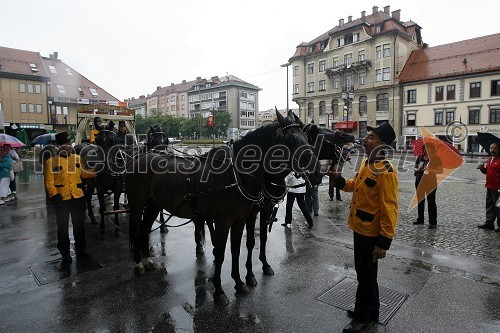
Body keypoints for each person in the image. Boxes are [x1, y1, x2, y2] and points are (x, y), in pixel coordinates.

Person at [329, 122, 398, 333]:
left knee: (365, 276)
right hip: (359, 227)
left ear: (382, 144)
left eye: (370, 137)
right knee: (366, 274)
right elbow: (354, 186)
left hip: (371, 233)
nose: (364, 139)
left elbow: (390, 208)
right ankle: (372, 310)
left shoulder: (386, 171)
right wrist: (338, 180)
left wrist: (383, 242)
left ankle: (361, 318)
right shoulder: (367, 164)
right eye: (366, 136)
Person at [44, 131, 94, 263]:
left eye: (70, 143)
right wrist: (55, 197)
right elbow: (49, 182)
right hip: (62, 199)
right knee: (62, 227)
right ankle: (65, 252)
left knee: (79, 226)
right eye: (67, 144)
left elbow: (83, 173)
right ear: (60, 146)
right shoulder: (51, 162)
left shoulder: (77, 158)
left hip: (78, 197)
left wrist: (95, 172)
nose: (70, 146)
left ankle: (81, 249)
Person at [413, 142, 443, 229]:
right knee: (420, 201)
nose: (426, 150)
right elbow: (414, 167)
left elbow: (440, 171)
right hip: (419, 181)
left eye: (428, 148)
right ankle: (420, 219)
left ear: (432, 149)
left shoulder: (435, 158)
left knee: (431, 202)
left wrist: (429, 169)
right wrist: (417, 169)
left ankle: (433, 222)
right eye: (425, 148)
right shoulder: (420, 157)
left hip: (431, 182)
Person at [477, 142, 500, 232]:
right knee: (489, 205)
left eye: (494, 148)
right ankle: (489, 223)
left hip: (497, 188)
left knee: (498, 207)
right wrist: (482, 169)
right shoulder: (490, 160)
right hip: (489, 186)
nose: (492, 150)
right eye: (491, 148)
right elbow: (487, 172)